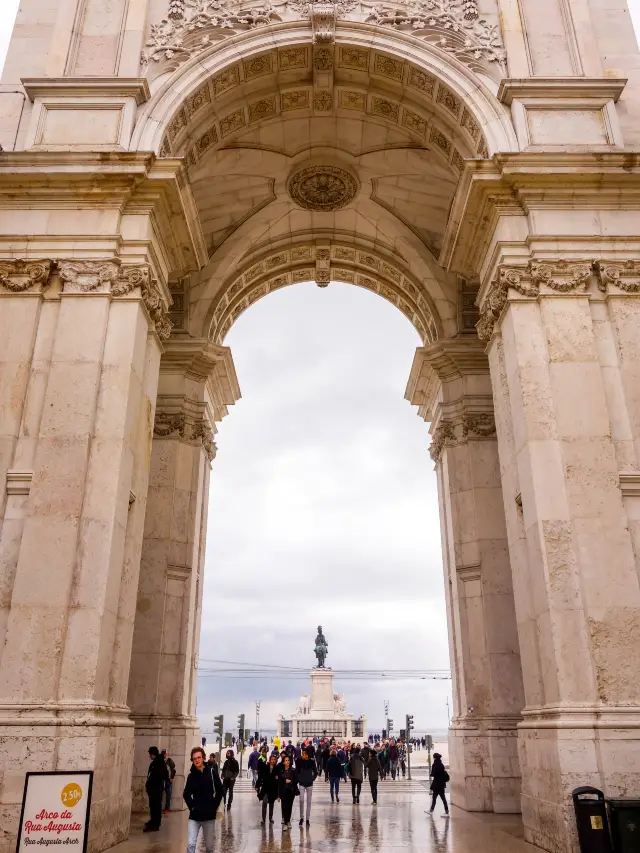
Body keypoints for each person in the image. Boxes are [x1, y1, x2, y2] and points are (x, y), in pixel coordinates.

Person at [183, 746, 223, 853]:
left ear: (203, 758)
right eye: (194, 758)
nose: (197, 760)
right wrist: (192, 807)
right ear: (192, 760)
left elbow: (220, 790)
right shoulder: (191, 776)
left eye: (199, 757)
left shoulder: (211, 772)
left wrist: (214, 806)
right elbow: (186, 794)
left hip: (209, 816)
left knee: (209, 847)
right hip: (194, 816)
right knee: (191, 844)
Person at [144, 746, 169, 832]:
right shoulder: (157, 762)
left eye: (149, 754)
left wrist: (151, 785)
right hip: (154, 788)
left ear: (152, 754)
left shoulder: (158, 763)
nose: (149, 756)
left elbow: (158, 776)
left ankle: (155, 824)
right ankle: (153, 821)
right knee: (153, 806)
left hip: (156, 789)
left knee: (156, 807)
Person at [296, 747, 317, 826]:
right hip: (301, 783)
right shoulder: (299, 761)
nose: (303, 755)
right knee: (301, 800)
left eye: (304, 754)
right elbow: (297, 771)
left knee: (309, 802)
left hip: (309, 784)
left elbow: (315, 772)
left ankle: (307, 819)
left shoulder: (311, 762)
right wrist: (299, 779)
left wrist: (312, 779)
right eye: (302, 754)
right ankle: (301, 817)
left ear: (307, 755)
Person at [277, 754, 298, 830]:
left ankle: (288, 821)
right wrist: (278, 795)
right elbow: (279, 782)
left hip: (290, 791)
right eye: (286, 760)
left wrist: (291, 781)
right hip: (283, 791)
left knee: (289, 806)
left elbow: (296, 780)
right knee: (284, 807)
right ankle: (285, 823)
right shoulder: (281, 771)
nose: (287, 761)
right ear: (283, 762)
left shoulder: (293, 770)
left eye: (288, 760)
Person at [257, 754, 279, 824]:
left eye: (274, 759)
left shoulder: (276, 769)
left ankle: (270, 818)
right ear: (269, 760)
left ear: (275, 761)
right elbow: (261, 776)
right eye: (271, 759)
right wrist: (257, 785)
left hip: (273, 789)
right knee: (264, 802)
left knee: (271, 804)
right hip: (265, 788)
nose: (273, 761)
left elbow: (278, 778)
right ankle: (263, 819)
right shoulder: (266, 767)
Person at [162, 750, 176, 814]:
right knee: (160, 794)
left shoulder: (169, 760)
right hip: (162, 780)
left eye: (165, 754)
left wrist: (172, 778)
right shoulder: (160, 761)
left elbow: (174, 769)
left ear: (166, 754)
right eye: (163, 754)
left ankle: (167, 808)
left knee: (168, 795)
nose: (164, 755)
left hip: (168, 780)